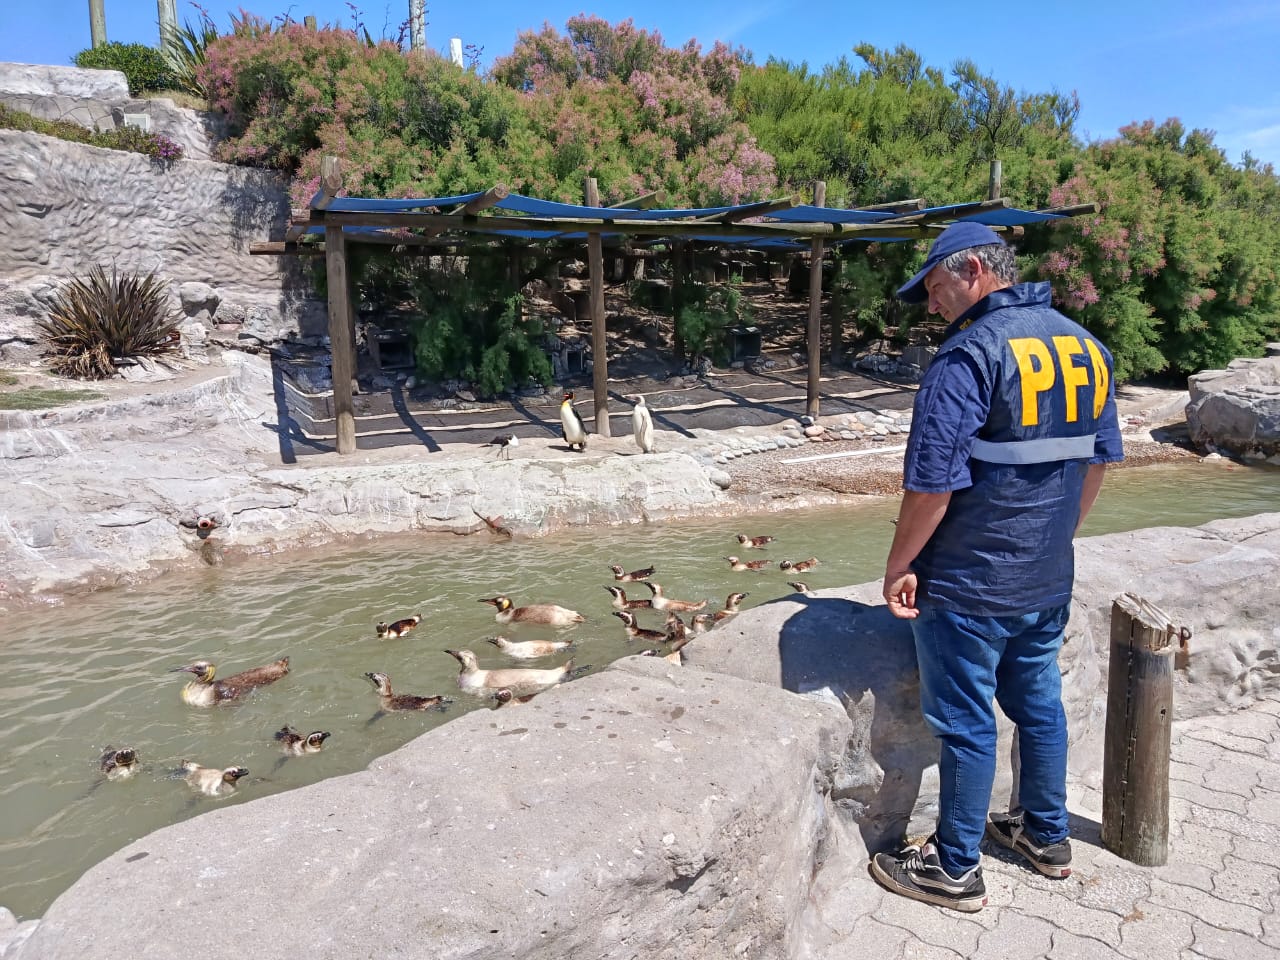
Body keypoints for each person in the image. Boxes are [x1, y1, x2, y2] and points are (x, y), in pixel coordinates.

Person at [869, 221, 1124, 913]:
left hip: (969, 583)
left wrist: (900, 563)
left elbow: (932, 484)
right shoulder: (1087, 345)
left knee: (965, 722)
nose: (931, 304)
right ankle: (1046, 836)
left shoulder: (967, 355)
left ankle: (954, 869)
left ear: (975, 270)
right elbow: (1097, 462)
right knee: (1039, 704)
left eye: (934, 287)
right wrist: (1056, 539)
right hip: (1046, 577)